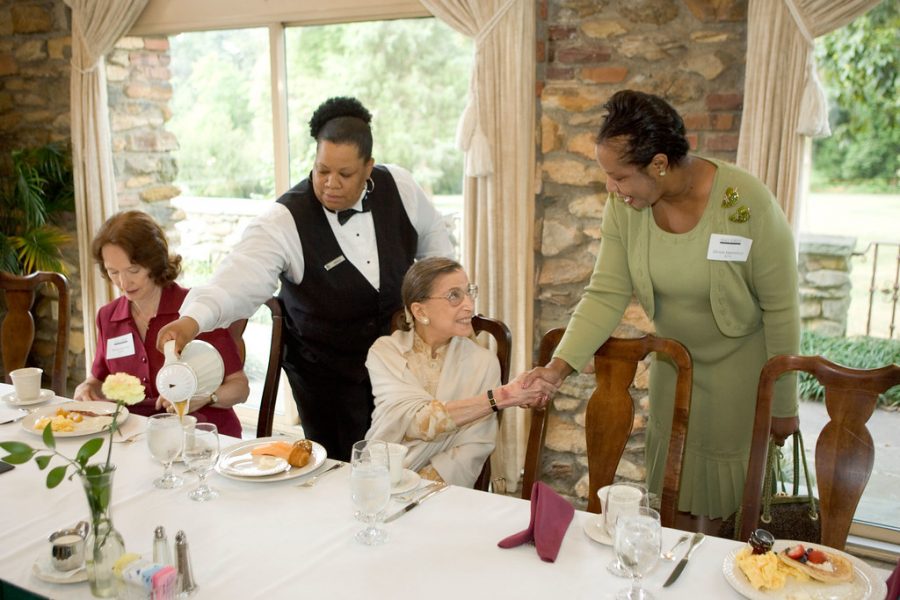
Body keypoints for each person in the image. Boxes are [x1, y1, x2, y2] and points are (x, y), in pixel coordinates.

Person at [525, 90, 800, 530]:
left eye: (619, 177)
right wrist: (558, 369)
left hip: (742, 378)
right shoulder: (626, 208)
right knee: (674, 503)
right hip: (676, 370)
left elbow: (782, 309)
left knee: (734, 516)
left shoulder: (746, 203)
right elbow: (606, 292)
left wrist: (783, 403)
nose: (612, 189)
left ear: (658, 164)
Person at [156, 97, 452, 461]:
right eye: (321, 170)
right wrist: (192, 320)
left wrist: (438, 312)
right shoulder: (284, 220)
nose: (330, 184)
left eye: (345, 175)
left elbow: (438, 251)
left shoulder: (400, 187)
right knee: (341, 474)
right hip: (328, 381)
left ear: (369, 168)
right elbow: (236, 279)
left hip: (400, 371)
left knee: (407, 466)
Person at [365, 258, 556, 487]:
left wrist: (418, 489)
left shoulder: (483, 363)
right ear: (419, 310)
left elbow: (474, 446)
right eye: (454, 296)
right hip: (378, 480)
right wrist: (504, 396)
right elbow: (417, 423)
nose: (469, 305)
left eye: (469, 292)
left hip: (440, 493)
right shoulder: (386, 353)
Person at [73, 211, 250, 437]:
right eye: (113, 272)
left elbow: (240, 387)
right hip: (136, 436)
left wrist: (204, 397)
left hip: (201, 433)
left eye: (133, 270)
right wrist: (87, 387)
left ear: (153, 262)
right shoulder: (108, 316)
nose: (123, 282)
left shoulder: (194, 311)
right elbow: (98, 378)